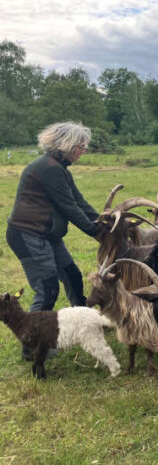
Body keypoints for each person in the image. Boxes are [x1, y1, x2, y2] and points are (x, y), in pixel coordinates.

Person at [5, 121, 101, 360]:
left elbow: (79, 202)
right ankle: (32, 346)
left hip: (47, 235)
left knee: (72, 275)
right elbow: (69, 207)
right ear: (66, 145)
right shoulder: (50, 169)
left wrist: (105, 223)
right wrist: (97, 232)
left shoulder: (60, 169)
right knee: (47, 288)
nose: (84, 151)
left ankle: (85, 323)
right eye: (81, 146)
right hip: (29, 235)